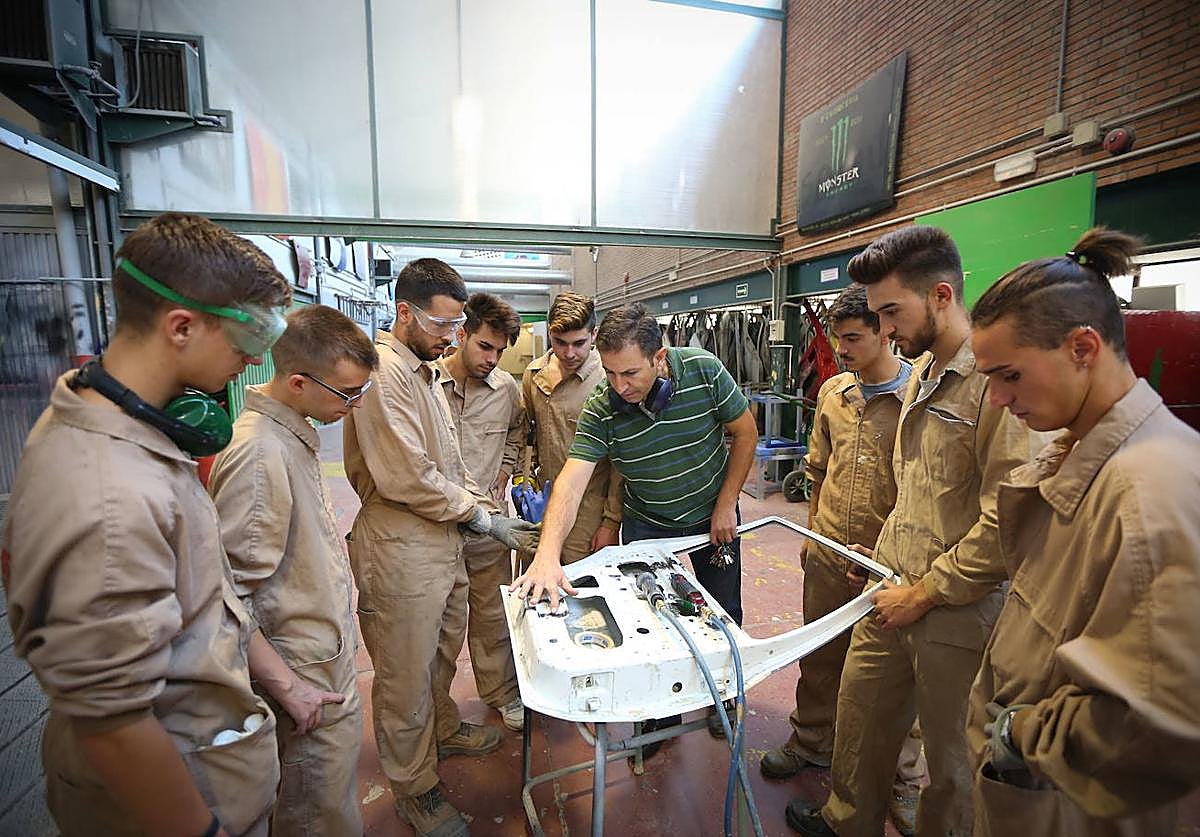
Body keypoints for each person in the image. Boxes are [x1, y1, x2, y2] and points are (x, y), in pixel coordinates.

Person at [1, 212, 291, 836]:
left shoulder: (113, 416)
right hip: (177, 801)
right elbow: (112, 721)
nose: (250, 363)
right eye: (245, 344)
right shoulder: (107, 490)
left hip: (211, 759)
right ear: (181, 326)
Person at [787, 226, 1038, 837]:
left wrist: (924, 592)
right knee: (860, 713)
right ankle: (848, 820)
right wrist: (882, 553)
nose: (886, 330)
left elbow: (1006, 521)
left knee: (953, 757)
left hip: (957, 607)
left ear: (943, 294)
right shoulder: (923, 373)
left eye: (891, 312)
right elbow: (918, 490)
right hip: (892, 585)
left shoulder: (993, 387)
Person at [965, 229, 1200, 836]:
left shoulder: (1145, 496)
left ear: (1082, 347)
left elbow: (1157, 723)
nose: (996, 400)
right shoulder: (1081, 461)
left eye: (1010, 376)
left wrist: (1021, 735)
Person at [342, 258, 539, 837]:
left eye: (457, 327)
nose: (451, 338)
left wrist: (485, 512)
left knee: (439, 653)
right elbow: (410, 475)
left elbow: (452, 463)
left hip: (442, 541)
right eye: (442, 325)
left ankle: (445, 725)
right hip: (402, 541)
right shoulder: (386, 373)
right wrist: (483, 517)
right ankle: (415, 787)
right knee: (404, 673)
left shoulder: (423, 371)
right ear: (404, 311)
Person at [513, 301, 759, 738]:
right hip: (647, 523)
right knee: (653, 617)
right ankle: (658, 713)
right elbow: (571, 482)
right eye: (609, 373)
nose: (619, 385)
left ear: (659, 358)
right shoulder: (604, 407)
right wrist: (547, 555)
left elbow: (744, 432)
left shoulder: (704, 370)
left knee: (722, 612)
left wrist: (726, 503)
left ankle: (724, 696)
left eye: (629, 374)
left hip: (711, 514)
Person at [759, 283, 925, 835]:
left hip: (888, 565)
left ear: (886, 331)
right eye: (838, 338)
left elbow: (921, 491)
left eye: (853, 338)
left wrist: (886, 552)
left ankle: (901, 783)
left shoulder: (915, 401)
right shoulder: (834, 392)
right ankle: (810, 742)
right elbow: (818, 470)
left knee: (895, 679)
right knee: (821, 654)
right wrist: (813, 536)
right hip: (830, 551)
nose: (843, 349)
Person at [207, 305, 378, 836]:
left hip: (319, 661)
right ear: (299, 382)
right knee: (314, 813)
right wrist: (289, 687)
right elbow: (226, 596)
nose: (354, 407)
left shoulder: (291, 435)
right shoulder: (260, 455)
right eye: (347, 394)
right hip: (304, 682)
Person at [434, 292, 526, 732]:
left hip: (492, 527)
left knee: (493, 617)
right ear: (461, 334)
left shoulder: (507, 390)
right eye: (485, 346)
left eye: (500, 351)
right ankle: (436, 710)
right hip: (438, 530)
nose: (492, 358)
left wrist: (504, 471)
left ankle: (502, 692)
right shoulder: (426, 385)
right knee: (440, 629)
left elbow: (515, 434)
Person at [519, 292, 623, 564]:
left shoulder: (610, 381)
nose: (568, 353)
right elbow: (527, 438)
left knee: (583, 593)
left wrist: (611, 523)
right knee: (539, 591)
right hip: (541, 507)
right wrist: (524, 485)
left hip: (588, 514)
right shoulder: (533, 376)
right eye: (559, 342)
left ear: (594, 335)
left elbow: (620, 460)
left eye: (579, 343)